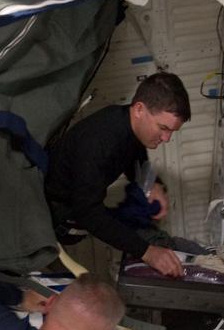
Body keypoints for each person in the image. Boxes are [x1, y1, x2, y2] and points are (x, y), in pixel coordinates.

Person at [45, 71, 191, 278]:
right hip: (51, 222)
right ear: (140, 109)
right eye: (163, 128)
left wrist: (150, 185)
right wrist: (147, 253)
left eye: (172, 132)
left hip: (78, 210)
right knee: (76, 288)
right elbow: (88, 213)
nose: (166, 138)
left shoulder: (125, 120)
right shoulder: (97, 143)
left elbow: (134, 154)